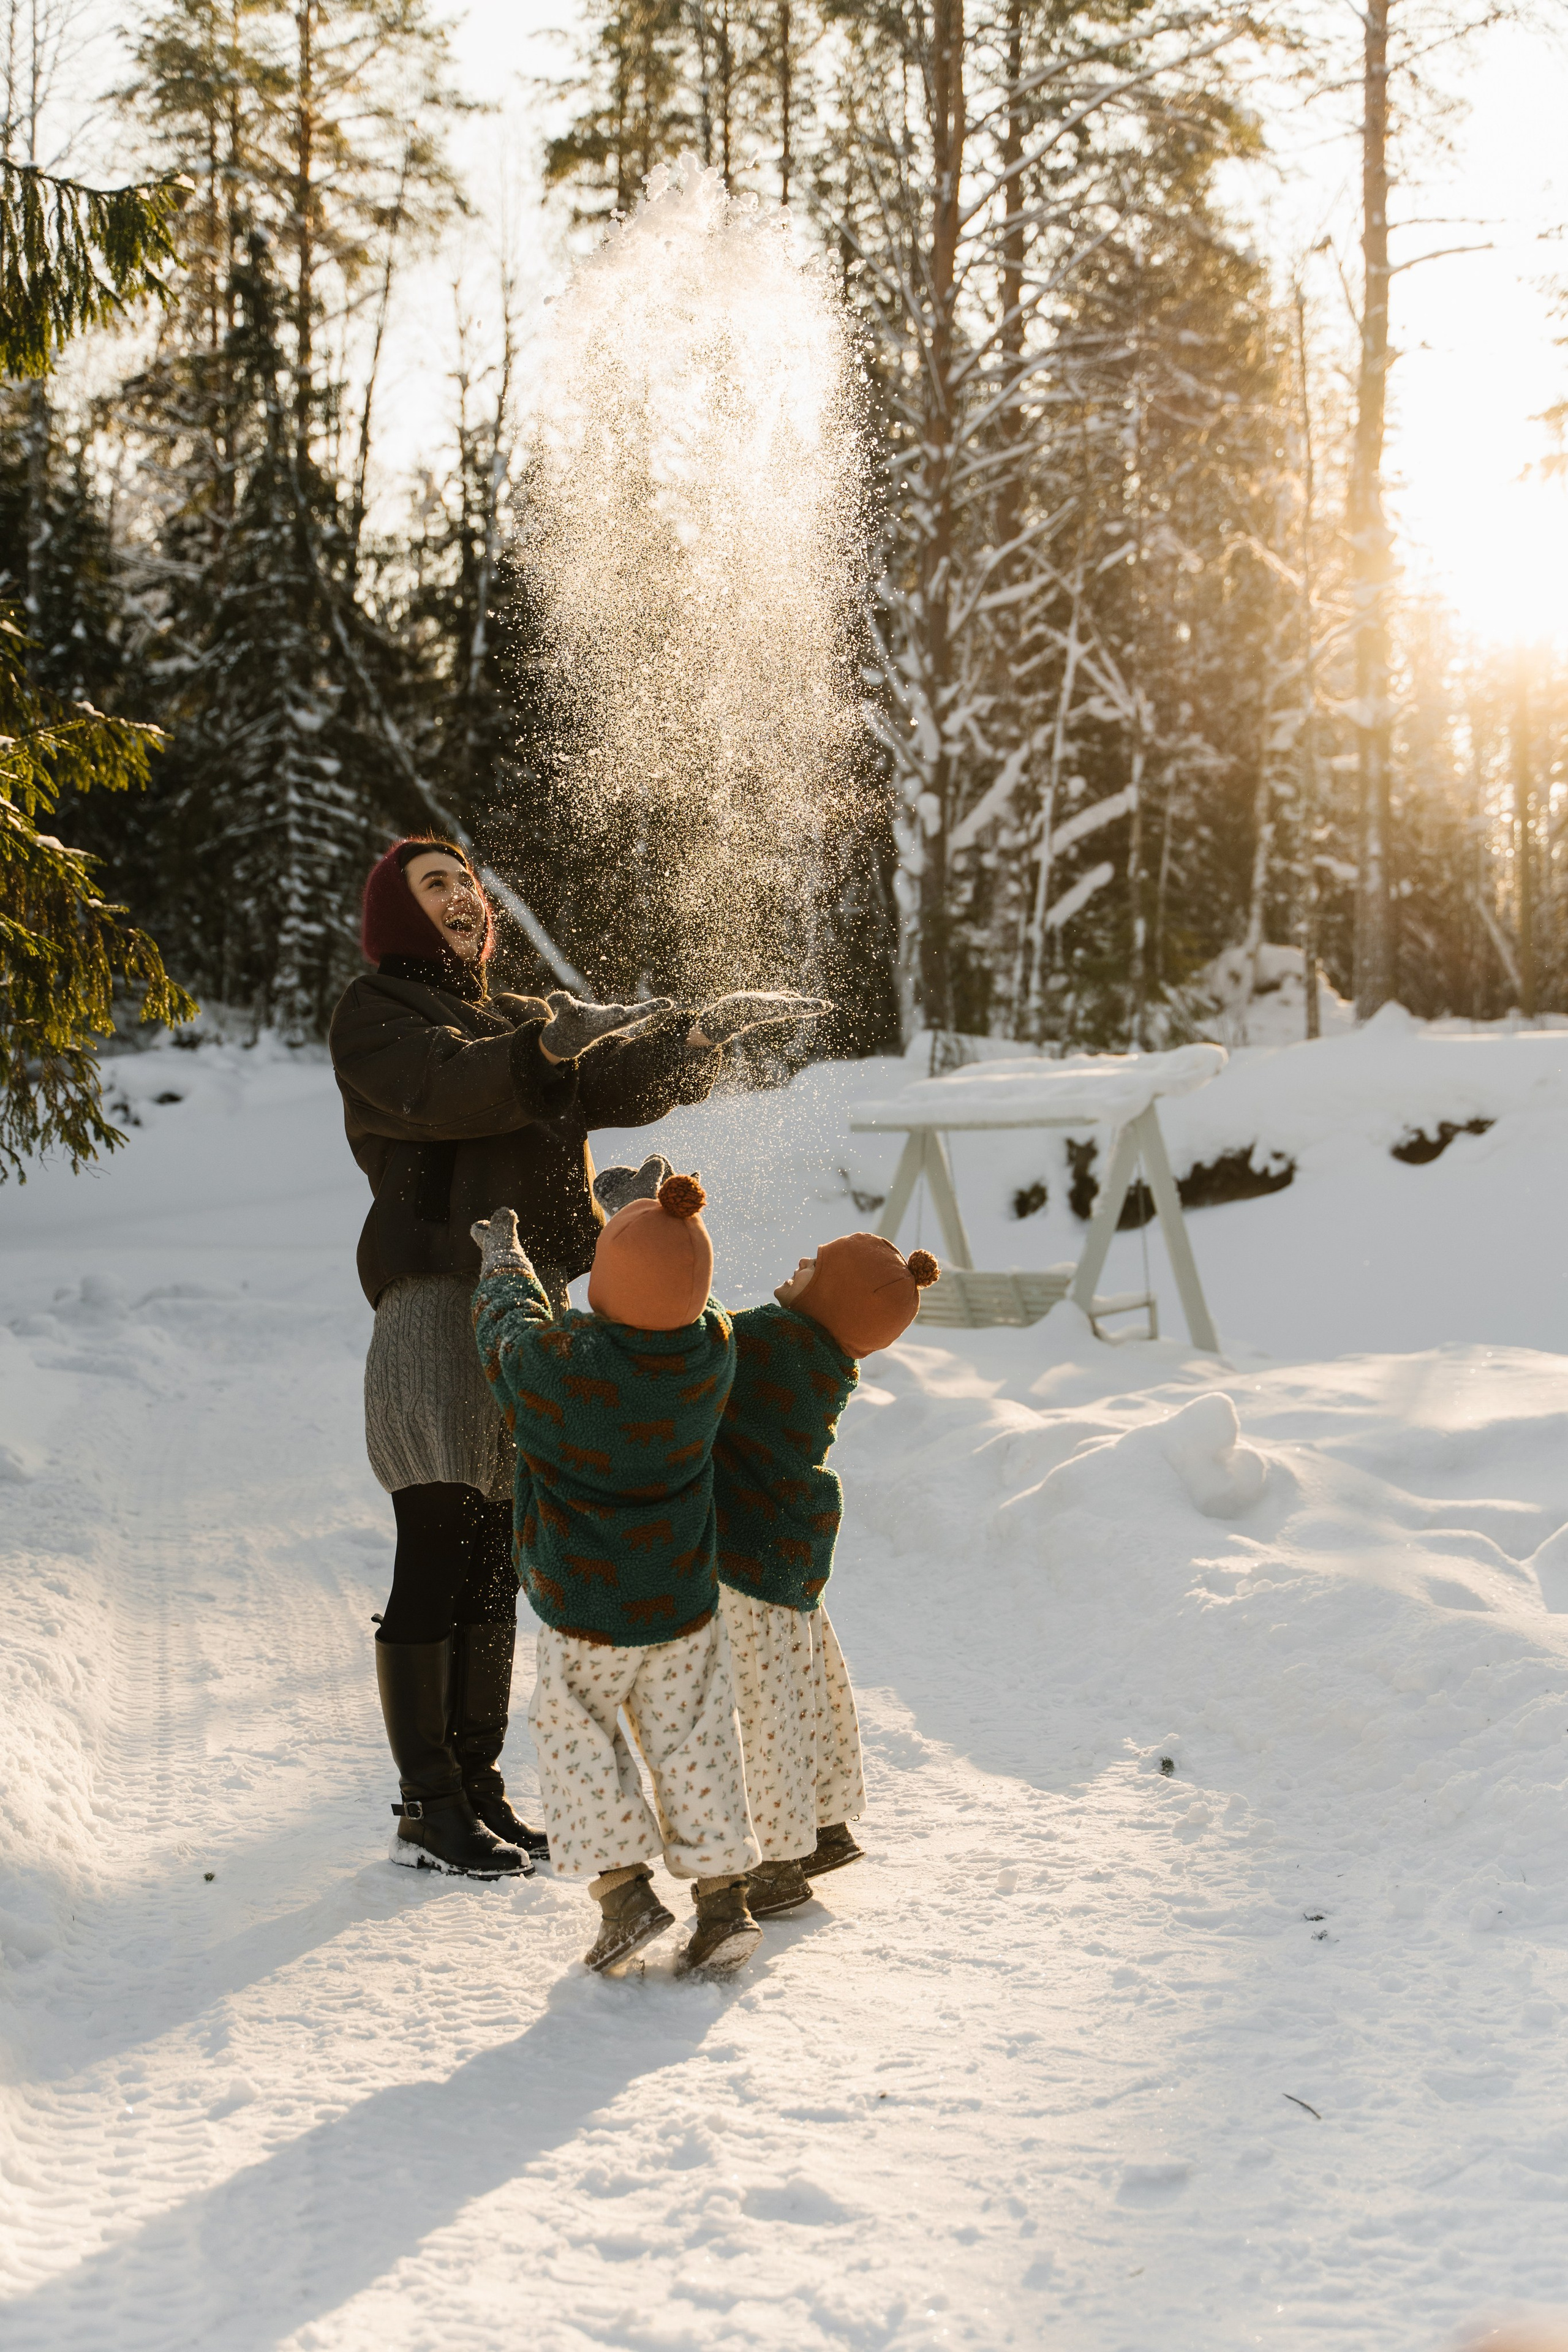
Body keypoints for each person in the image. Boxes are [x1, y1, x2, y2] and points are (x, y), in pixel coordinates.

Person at [329, 834, 824, 1879]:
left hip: (532, 1302)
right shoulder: (377, 1016)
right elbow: (446, 1091)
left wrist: (698, 1037)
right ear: (399, 913)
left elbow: (616, 1081)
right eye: (436, 887)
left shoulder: (516, 1019)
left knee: (502, 1548)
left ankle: (480, 1784)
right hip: (434, 1299)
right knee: (439, 1537)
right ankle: (427, 1802)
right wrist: (547, 1054)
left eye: (467, 883)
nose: (463, 898)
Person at [470, 1176, 765, 1977]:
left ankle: (625, 1895)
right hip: (681, 1606)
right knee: (696, 1740)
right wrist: (641, 1220)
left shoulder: (565, 1369)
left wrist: (506, 1258)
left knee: (577, 1740)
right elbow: (675, 1291)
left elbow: (509, 1337)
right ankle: (721, 1902)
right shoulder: (712, 1350)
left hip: (588, 1611)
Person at [704, 1225, 938, 1916]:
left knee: (767, 1709)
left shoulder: (775, 1339)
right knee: (811, 1685)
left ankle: (778, 1863)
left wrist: (652, 1246)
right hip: (793, 1553)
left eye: (819, 1265)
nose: (801, 1261)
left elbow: (696, 1333)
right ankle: (827, 1822)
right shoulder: (826, 1358)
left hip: (747, 1553)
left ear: (834, 1298)